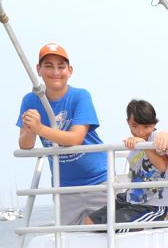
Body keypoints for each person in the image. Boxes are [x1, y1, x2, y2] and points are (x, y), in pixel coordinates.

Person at [16, 43, 108, 226]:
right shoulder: (30, 100)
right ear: (39, 69)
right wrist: (30, 128)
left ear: (70, 70)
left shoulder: (80, 96)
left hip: (98, 181)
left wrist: (40, 128)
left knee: (107, 232)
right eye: (49, 66)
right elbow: (25, 145)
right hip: (64, 185)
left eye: (61, 66)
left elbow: (75, 138)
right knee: (68, 238)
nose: (55, 72)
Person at [85, 99, 168, 226]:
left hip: (151, 205)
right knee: (90, 221)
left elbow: (162, 166)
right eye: (134, 126)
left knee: (109, 226)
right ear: (128, 123)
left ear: (154, 124)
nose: (140, 132)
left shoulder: (155, 137)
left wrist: (145, 144)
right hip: (129, 198)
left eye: (146, 126)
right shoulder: (134, 142)